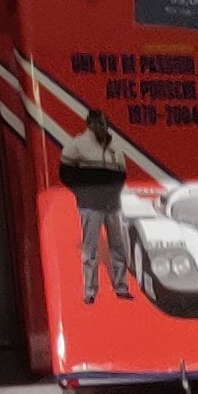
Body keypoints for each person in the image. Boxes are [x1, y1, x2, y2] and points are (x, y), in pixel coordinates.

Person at [58, 106, 139, 304]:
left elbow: (122, 173)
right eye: (99, 124)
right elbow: (65, 174)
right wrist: (84, 192)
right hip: (90, 206)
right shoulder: (76, 145)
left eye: (105, 124)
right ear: (90, 124)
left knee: (118, 247)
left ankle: (121, 287)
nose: (102, 127)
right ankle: (90, 292)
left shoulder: (114, 147)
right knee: (90, 250)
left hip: (113, 205)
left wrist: (114, 193)